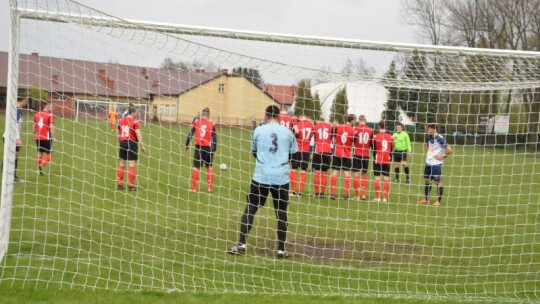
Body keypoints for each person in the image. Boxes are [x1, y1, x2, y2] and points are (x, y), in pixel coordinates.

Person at [228, 105, 298, 258]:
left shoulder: (258, 130)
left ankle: (241, 244)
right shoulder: (288, 132)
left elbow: (254, 152)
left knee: (251, 208)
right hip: (281, 177)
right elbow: (293, 154)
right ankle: (281, 249)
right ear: (279, 116)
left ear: (266, 116)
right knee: (281, 211)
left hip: (261, 176)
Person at [185, 108, 217, 193]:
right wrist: (214, 149)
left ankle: (194, 189)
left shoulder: (196, 122)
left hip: (198, 148)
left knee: (196, 167)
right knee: (209, 167)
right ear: (209, 115)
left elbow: (190, 134)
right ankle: (209, 188)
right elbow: (214, 138)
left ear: (202, 115)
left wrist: (186, 144)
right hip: (208, 148)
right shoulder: (212, 124)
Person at [419, 123, 452, 206]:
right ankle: (426, 199)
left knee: (438, 182)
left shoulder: (439, 138)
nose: (427, 130)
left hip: (437, 164)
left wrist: (443, 157)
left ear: (434, 129)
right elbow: (428, 148)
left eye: (429, 128)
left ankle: (439, 201)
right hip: (428, 163)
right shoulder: (429, 138)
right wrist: (430, 154)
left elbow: (449, 150)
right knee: (427, 180)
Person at [116, 106, 146, 191]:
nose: (136, 114)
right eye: (136, 112)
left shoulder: (121, 120)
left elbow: (117, 133)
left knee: (122, 163)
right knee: (131, 164)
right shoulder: (135, 122)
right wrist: (142, 146)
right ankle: (131, 186)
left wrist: (121, 139)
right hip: (131, 143)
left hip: (122, 143)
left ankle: (119, 184)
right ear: (132, 112)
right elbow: (138, 134)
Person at [329, 114, 355, 199]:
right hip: (347, 154)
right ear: (352, 120)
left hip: (337, 153)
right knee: (347, 173)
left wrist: (336, 143)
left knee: (335, 173)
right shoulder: (353, 130)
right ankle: (346, 194)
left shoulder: (339, 127)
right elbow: (353, 143)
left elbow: (333, 140)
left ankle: (332, 193)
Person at [2, 97, 27, 182]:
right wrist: (18, 138)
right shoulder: (15, 110)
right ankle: (9, 175)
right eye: (26, 101)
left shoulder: (18, 110)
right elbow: (14, 124)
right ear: (23, 101)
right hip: (10, 137)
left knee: (14, 156)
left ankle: (13, 176)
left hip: (12, 137)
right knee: (11, 156)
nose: (26, 103)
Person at [290, 113, 314, 196]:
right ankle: (299, 192)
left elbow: (295, 133)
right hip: (306, 151)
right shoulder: (311, 125)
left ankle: (293, 191)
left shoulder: (298, 124)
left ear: (300, 117)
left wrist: (295, 121)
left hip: (297, 150)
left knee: (294, 169)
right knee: (303, 170)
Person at [352, 115, 373, 200]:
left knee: (356, 174)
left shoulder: (355, 129)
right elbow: (372, 143)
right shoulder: (370, 130)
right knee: (364, 174)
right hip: (366, 155)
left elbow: (352, 141)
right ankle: (363, 195)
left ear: (359, 120)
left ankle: (357, 196)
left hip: (357, 153)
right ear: (365, 120)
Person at [372, 121, 394, 203]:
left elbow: (373, 149)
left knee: (377, 178)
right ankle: (384, 198)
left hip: (378, 158)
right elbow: (391, 150)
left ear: (378, 127)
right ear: (386, 127)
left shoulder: (375, 136)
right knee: (386, 178)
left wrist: (375, 156)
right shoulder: (390, 137)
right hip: (386, 158)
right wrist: (390, 158)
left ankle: (377, 198)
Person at [312, 117, 333, 198]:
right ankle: (322, 193)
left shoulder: (315, 126)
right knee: (324, 173)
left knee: (317, 172)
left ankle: (317, 193)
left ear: (318, 121)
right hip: (327, 151)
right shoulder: (329, 126)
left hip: (318, 150)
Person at [34, 102, 56, 176]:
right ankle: (41, 165)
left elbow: (34, 126)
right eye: (52, 107)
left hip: (38, 137)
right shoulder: (50, 115)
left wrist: (34, 136)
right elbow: (51, 126)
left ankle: (38, 170)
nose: (53, 109)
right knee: (50, 154)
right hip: (46, 137)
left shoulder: (37, 114)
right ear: (47, 107)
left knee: (40, 153)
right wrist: (54, 137)